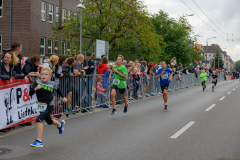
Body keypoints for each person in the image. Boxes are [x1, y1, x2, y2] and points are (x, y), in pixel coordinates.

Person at [29, 67, 67, 148]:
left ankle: (39, 141)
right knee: (49, 121)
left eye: (46, 74)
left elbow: (59, 90)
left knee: (39, 120)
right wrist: (35, 89)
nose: (44, 76)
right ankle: (60, 124)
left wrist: (63, 97)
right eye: (42, 74)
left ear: (50, 76)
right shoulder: (37, 82)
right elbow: (30, 93)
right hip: (40, 105)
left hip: (49, 105)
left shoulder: (52, 84)